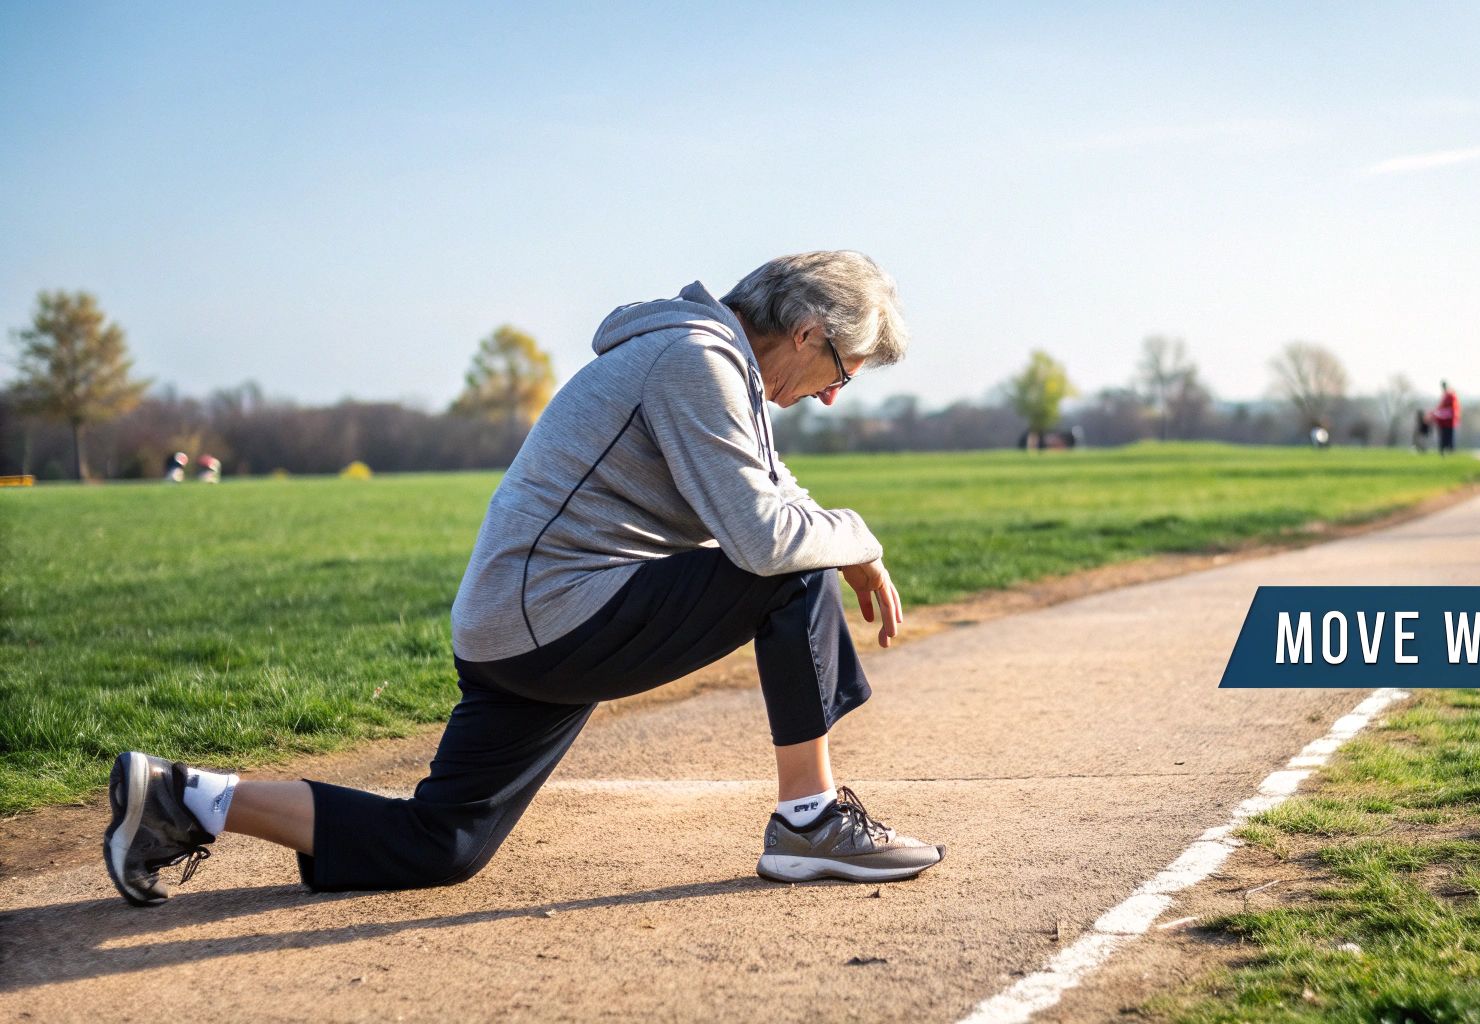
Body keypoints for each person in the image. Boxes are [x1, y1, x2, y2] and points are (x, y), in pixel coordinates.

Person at [102, 251, 945, 907]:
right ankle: (810, 820)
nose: (834, 395)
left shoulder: (717, 367)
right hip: (555, 613)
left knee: (443, 844)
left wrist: (840, 537)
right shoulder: (696, 360)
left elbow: (773, 493)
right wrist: (855, 542)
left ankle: (186, 798)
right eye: (844, 370)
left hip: (519, 624)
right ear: (805, 331)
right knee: (791, 572)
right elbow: (765, 543)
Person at [1430, 381, 1460, 455]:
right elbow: (1441, 407)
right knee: (1444, 435)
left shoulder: (1450, 396)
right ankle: (1443, 449)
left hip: (1449, 420)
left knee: (1448, 435)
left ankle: (1449, 449)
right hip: (1443, 421)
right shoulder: (1445, 396)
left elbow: (1452, 408)